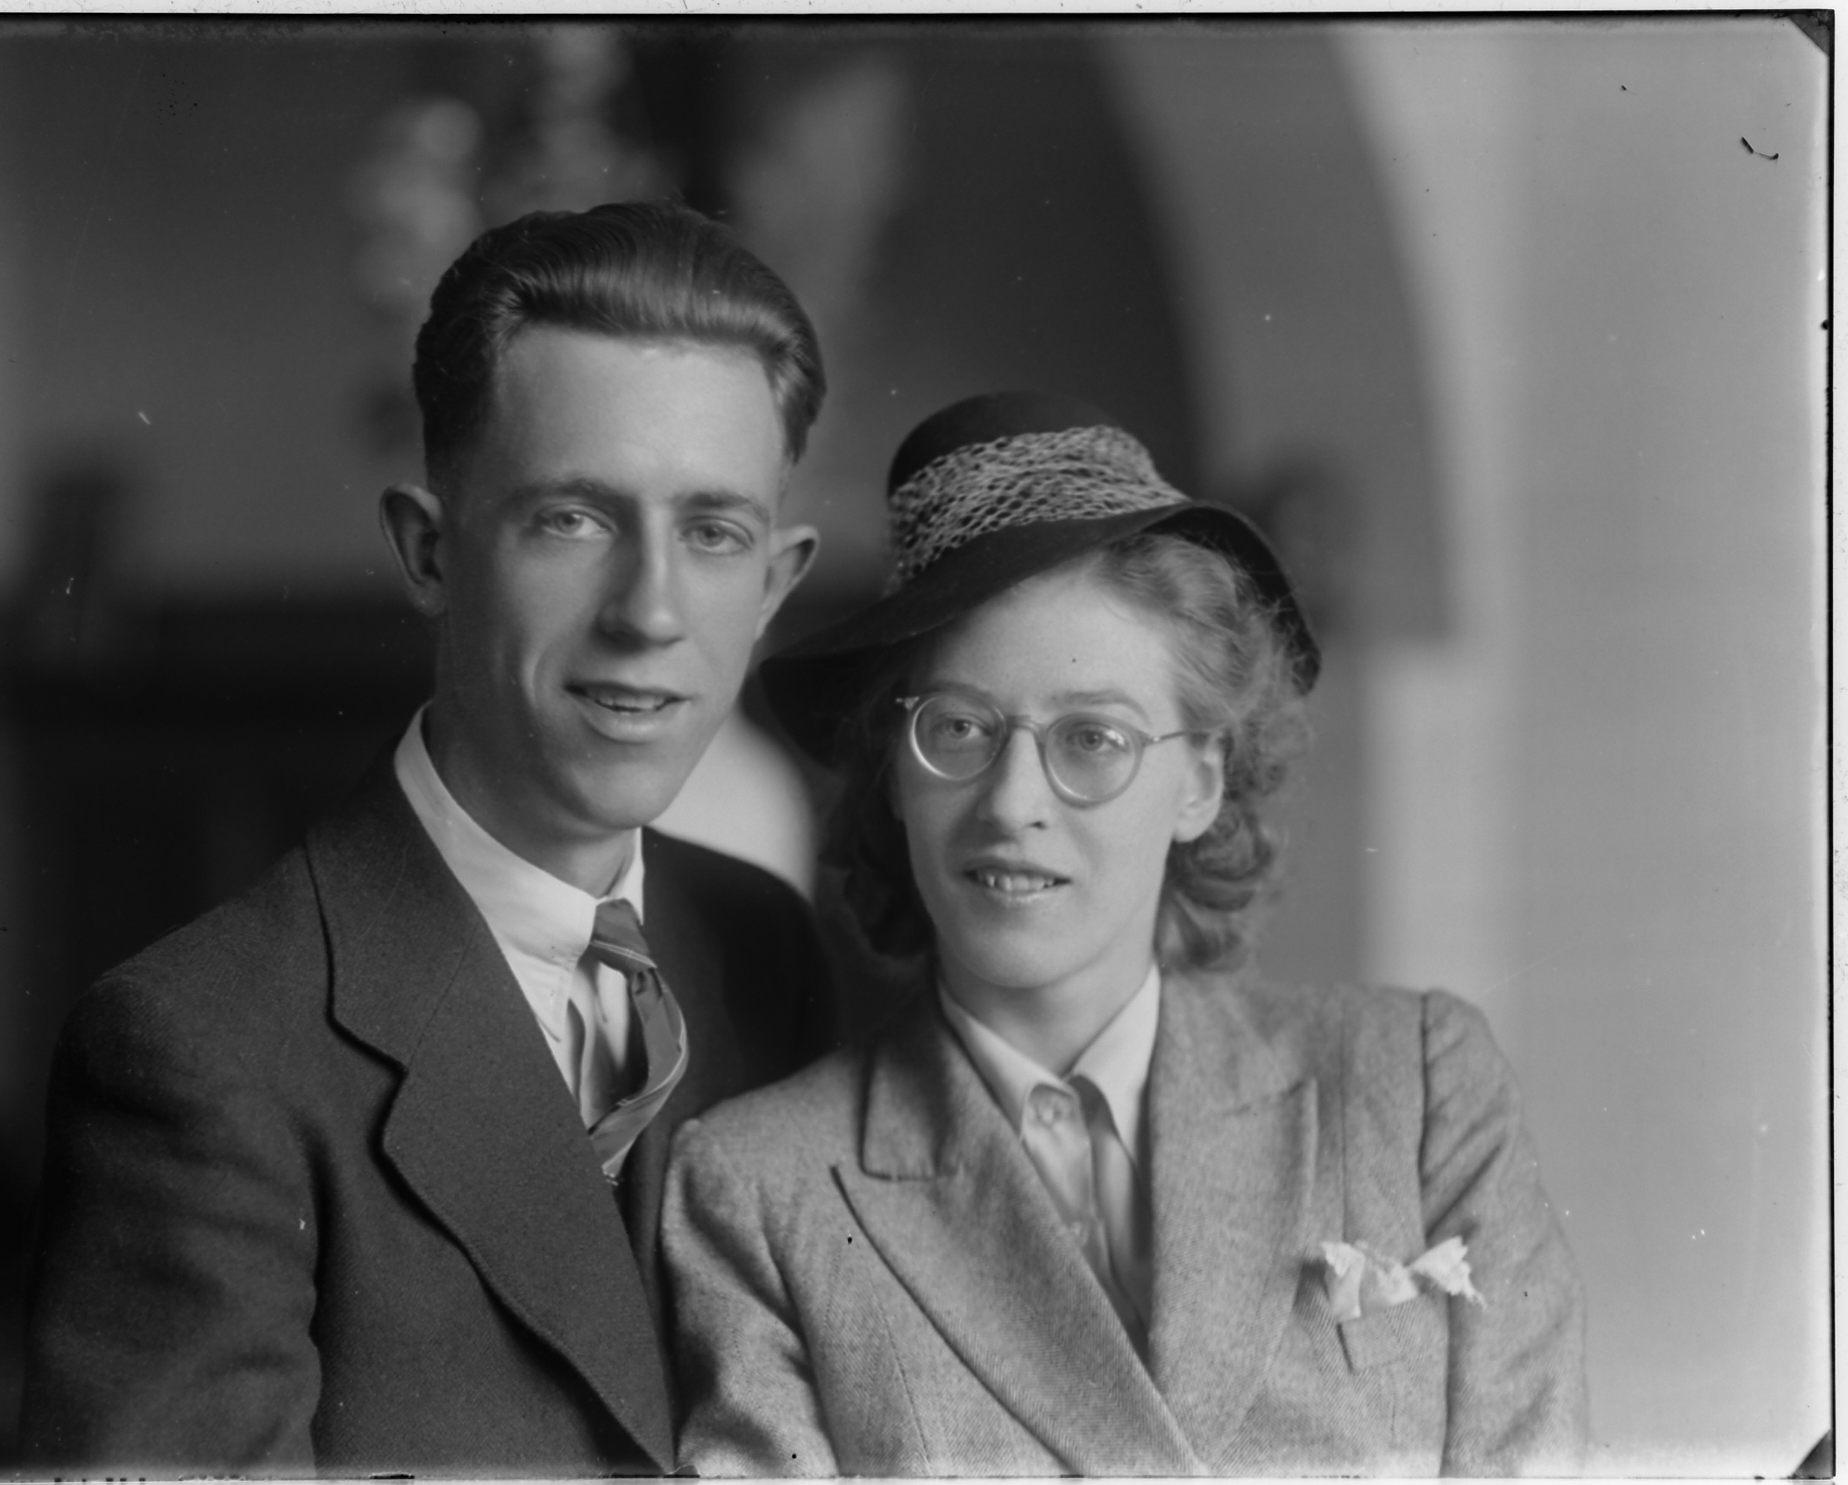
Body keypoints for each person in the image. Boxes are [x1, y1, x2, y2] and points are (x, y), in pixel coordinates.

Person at [20, 201, 835, 1475]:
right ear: (428, 552)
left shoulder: (764, 946)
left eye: (712, 533)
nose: (651, 612)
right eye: (573, 519)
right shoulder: (201, 1051)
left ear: (775, 584)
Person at [662, 392, 1589, 1476]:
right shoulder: (762, 1191)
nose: (1012, 802)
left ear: (1198, 780)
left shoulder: (1414, 1090)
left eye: (1091, 737)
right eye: (957, 728)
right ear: (894, 775)